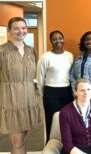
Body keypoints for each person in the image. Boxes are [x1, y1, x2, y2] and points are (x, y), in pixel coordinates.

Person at [0, 17, 42, 153]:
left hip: (29, 102)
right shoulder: (2, 51)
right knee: (18, 142)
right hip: (11, 102)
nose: (21, 31)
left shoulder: (31, 51)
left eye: (23, 28)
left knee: (23, 140)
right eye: (16, 28)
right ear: (9, 31)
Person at [36, 30, 73, 142]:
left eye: (60, 38)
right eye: (54, 39)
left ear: (63, 39)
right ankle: (51, 145)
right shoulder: (46, 57)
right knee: (52, 120)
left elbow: (71, 74)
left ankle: (66, 146)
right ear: (51, 41)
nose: (58, 41)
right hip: (51, 92)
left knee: (67, 120)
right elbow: (40, 77)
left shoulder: (69, 55)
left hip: (67, 91)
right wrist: (43, 94)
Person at [60, 78, 91, 154]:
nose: (86, 93)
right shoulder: (65, 112)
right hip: (72, 151)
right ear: (76, 92)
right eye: (82, 90)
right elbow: (67, 144)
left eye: (88, 89)